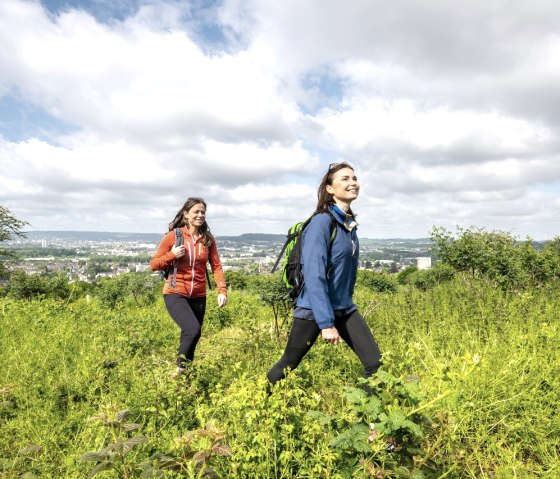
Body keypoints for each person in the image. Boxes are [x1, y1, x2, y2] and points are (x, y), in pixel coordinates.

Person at [267, 162, 382, 392]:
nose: (353, 183)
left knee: (374, 363)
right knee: (289, 362)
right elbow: (314, 274)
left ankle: (369, 424)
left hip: (344, 307)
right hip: (314, 309)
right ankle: (262, 399)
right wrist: (326, 323)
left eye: (354, 178)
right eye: (345, 179)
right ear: (330, 189)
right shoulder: (322, 222)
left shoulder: (349, 224)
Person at [150, 197, 227, 373]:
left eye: (203, 212)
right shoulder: (174, 236)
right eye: (196, 212)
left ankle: (186, 375)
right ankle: (180, 371)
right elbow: (154, 264)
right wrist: (172, 255)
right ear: (186, 214)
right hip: (175, 291)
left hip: (199, 294)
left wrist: (222, 290)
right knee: (192, 329)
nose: (200, 215)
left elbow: (216, 266)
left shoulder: (207, 239)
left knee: (192, 335)